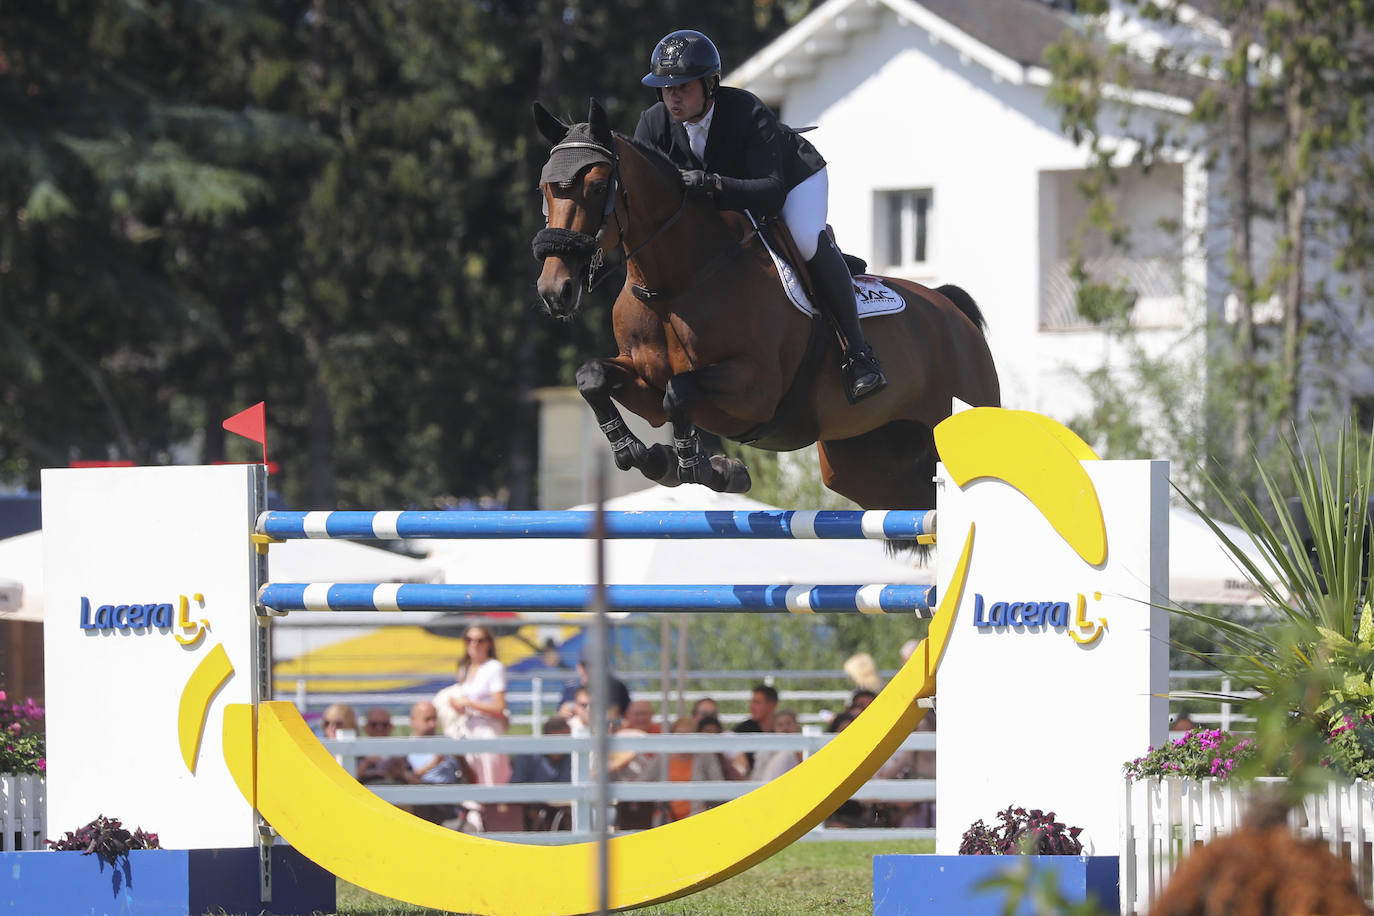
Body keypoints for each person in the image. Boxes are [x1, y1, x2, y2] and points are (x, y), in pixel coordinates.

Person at [635, 29, 886, 404]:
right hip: (726, 200)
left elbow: (770, 193)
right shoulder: (653, 125)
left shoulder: (746, 111)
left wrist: (714, 184)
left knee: (803, 236)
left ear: (710, 84)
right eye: (666, 88)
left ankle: (859, 355)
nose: (673, 96)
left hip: (792, 178)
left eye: (684, 87)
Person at [433, 625, 512, 828]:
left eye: (479, 640)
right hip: (469, 732)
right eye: (469, 640)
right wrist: (460, 707)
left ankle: (491, 831)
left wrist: (468, 703)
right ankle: (476, 828)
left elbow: (499, 706)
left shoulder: (494, 667)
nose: (474, 645)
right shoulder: (467, 668)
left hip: (486, 733)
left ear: (488, 643)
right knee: (473, 783)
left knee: (490, 788)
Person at [404, 700, 464, 826]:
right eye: (427, 719)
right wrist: (434, 763)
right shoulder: (404, 749)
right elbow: (407, 779)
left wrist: (462, 759)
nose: (432, 724)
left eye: (434, 719)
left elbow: (471, 779)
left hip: (448, 803)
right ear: (413, 720)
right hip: (420, 805)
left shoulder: (448, 743)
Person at [510, 716, 573, 831]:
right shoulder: (528, 756)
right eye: (559, 741)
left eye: (567, 740)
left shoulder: (571, 757)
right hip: (532, 812)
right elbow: (515, 786)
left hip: (563, 810)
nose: (564, 746)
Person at [558, 659, 631, 723]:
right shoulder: (570, 688)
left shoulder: (616, 687)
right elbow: (560, 715)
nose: (589, 669)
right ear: (579, 666)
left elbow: (623, 716)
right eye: (585, 665)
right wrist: (563, 714)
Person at [732, 683, 778, 774]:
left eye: (757, 702)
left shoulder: (783, 728)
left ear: (772, 705)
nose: (751, 707)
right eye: (751, 702)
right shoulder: (742, 730)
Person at [356, 707, 408, 784]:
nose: (379, 728)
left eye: (384, 725)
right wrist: (367, 763)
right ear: (366, 727)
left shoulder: (400, 752)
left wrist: (400, 772)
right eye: (374, 725)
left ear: (391, 727)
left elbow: (411, 780)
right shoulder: (356, 750)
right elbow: (347, 780)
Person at [750, 708, 802, 782]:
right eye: (780, 725)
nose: (785, 728)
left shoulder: (806, 748)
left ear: (797, 726)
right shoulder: (766, 750)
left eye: (789, 723)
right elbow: (757, 775)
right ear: (774, 728)